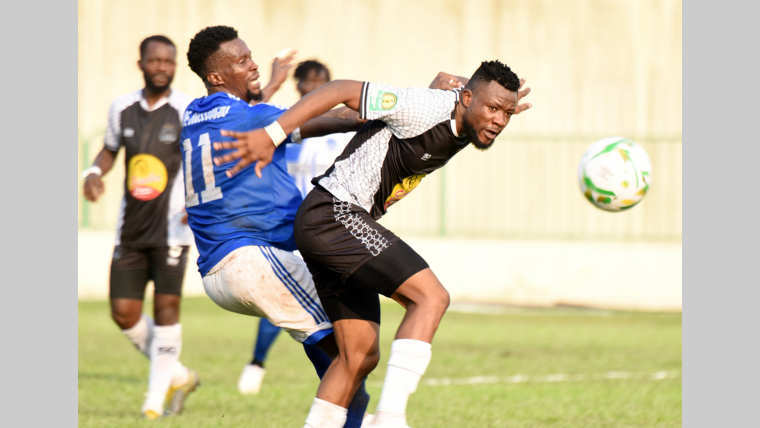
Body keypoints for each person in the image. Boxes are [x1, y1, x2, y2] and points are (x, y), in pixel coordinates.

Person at [212, 60, 532, 428]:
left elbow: (449, 96)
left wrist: (488, 100)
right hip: (334, 213)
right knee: (430, 298)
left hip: (329, 224)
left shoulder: (464, 117)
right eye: (492, 109)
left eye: (506, 113)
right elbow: (342, 90)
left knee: (358, 356)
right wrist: (273, 133)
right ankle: (391, 419)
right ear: (467, 97)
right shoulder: (426, 106)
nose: (499, 120)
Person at [181, 25, 372, 428]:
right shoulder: (253, 117)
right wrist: (403, 107)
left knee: (340, 365)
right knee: (353, 360)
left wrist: (267, 86)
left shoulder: (195, 113)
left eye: (250, 56)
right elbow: (334, 118)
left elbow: (248, 116)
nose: (251, 64)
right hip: (253, 259)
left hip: (221, 270)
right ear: (216, 76)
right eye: (241, 61)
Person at [81, 35, 200, 420]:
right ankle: (177, 375)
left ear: (175, 66)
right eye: (155, 61)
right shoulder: (122, 108)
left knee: (166, 308)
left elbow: (202, 159)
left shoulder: (186, 109)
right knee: (124, 313)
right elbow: (110, 149)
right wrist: (94, 171)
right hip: (130, 229)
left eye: (169, 61)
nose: (162, 67)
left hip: (173, 229)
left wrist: (195, 202)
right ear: (142, 64)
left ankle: (153, 401)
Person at [237, 58, 357, 395]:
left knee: (332, 299)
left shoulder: (339, 128)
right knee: (284, 295)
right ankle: (257, 362)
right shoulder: (285, 124)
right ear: (299, 87)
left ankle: (340, 376)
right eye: (310, 83)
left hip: (331, 225)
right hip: (289, 225)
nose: (317, 87)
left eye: (324, 81)